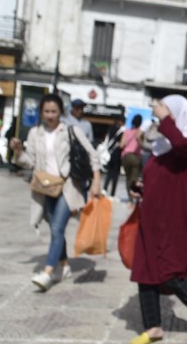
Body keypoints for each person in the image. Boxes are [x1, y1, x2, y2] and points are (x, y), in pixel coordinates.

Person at [127, 95, 187, 344]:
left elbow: (182, 145)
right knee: (145, 272)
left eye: (169, 115)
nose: (164, 121)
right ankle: (153, 326)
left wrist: (165, 119)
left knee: (170, 271)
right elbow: (159, 179)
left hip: (174, 220)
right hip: (151, 218)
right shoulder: (162, 148)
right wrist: (141, 188)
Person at [10, 93, 102, 291]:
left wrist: (96, 181)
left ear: (61, 112)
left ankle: (48, 272)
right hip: (46, 187)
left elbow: (92, 154)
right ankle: (65, 266)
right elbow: (29, 162)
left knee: (57, 228)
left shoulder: (71, 130)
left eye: (54, 111)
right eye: (46, 111)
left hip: (68, 186)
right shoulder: (35, 133)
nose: (50, 115)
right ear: (41, 113)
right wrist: (18, 151)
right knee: (54, 228)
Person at [120, 115, 144, 200]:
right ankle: (135, 199)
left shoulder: (126, 131)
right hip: (136, 157)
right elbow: (142, 146)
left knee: (128, 178)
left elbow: (121, 145)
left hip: (126, 156)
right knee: (134, 179)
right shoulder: (140, 133)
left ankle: (130, 199)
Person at [103, 116, 124, 198]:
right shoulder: (122, 131)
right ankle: (112, 193)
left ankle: (104, 189)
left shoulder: (110, 128)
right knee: (115, 175)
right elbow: (122, 144)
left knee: (109, 173)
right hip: (117, 155)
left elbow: (106, 139)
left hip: (109, 153)